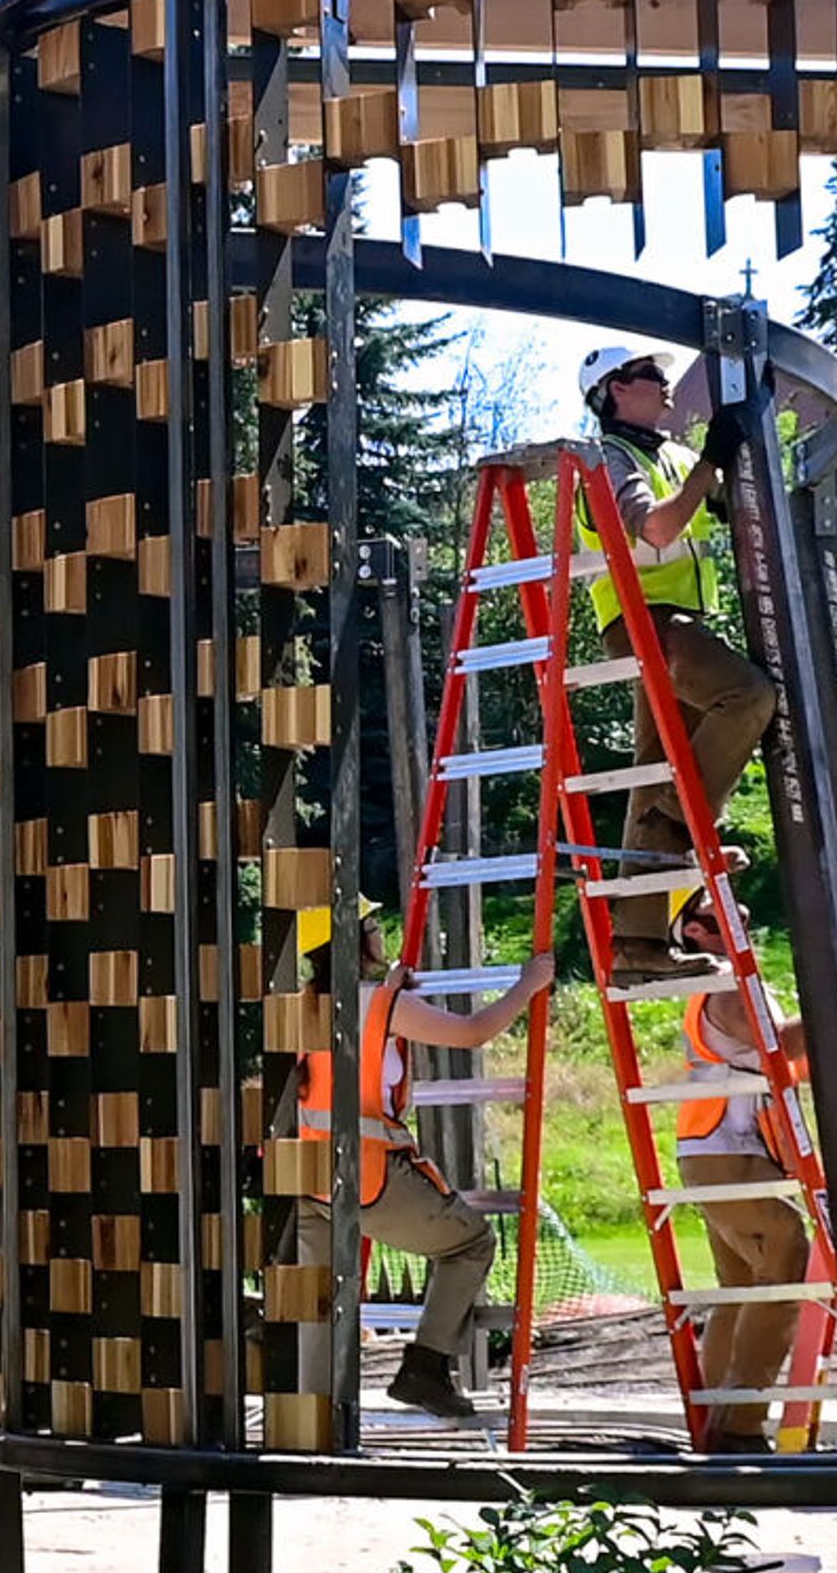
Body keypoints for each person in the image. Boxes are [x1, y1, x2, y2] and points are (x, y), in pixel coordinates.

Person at [286, 908, 559, 1421]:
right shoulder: (382, 1005)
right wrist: (527, 985)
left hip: (307, 1178)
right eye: (372, 928)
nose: (381, 933)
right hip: (367, 1176)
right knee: (470, 1243)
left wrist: (391, 991)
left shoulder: (301, 1005)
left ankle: (309, 1424)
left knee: (317, 1302)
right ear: (357, 943)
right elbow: (473, 1032)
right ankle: (424, 1367)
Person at [573, 343, 778, 987]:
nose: (664, 385)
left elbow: (713, 503)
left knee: (651, 771)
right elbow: (656, 530)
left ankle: (635, 943)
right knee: (748, 698)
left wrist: (735, 449)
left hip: (676, 628)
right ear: (612, 393)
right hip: (648, 625)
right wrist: (712, 460)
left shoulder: (670, 457)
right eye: (648, 377)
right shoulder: (609, 459)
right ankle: (682, 817)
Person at [663, 887, 814, 1453]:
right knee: (786, 1256)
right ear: (696, 932)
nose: (742, 910)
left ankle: (715, 1423)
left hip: (714, 1146)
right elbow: (777, 1046)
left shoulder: (724, 976)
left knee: (739, 1289)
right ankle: (741, 1425)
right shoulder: (724, 981)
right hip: (725, 1149)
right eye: (717, 908)